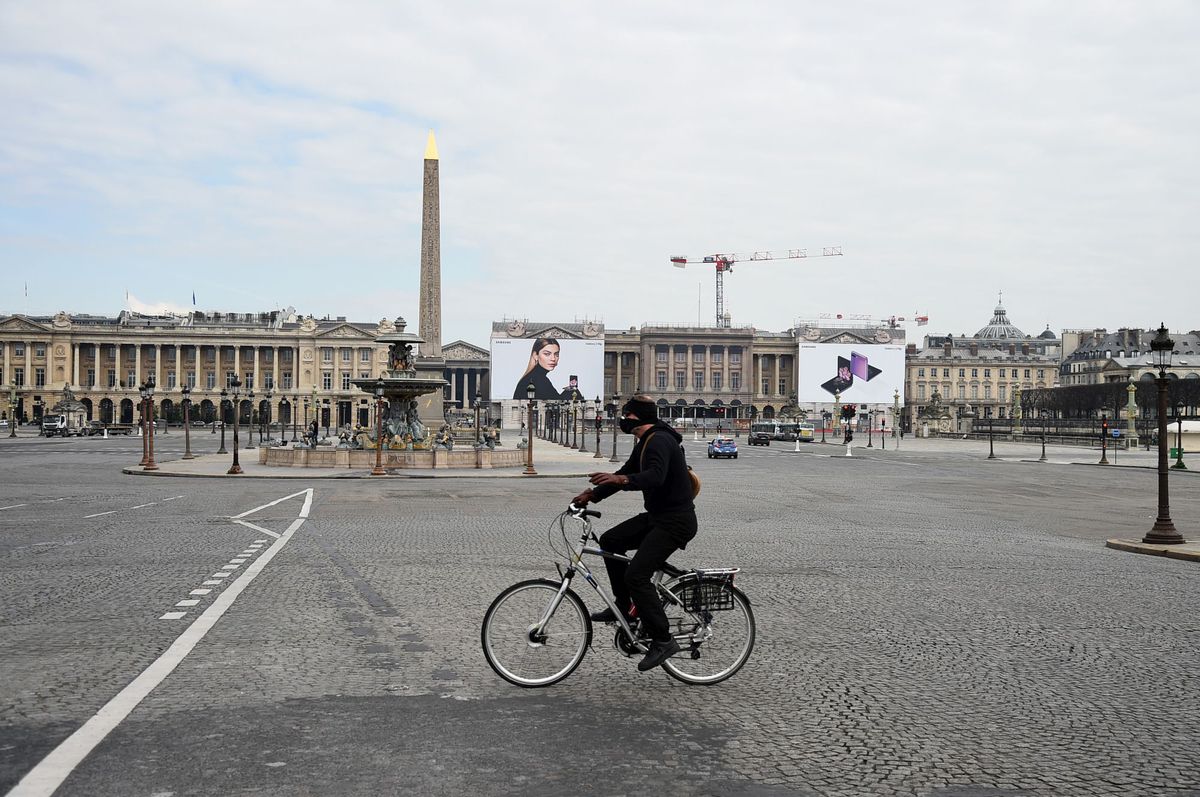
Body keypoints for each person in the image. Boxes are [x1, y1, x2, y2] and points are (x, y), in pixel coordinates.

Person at [571, 394, 697, 672]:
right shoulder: (646, 441)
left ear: (634, 418)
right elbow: (626, 471)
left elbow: (655, 476)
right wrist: (591, 496)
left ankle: (663, 641)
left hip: (675, 522)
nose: (622, 420)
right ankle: (624, 607)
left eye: (625, 416)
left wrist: (623, 479)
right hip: (658, 517)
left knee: (637, 575)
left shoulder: (660, 440)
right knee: (610, 541)